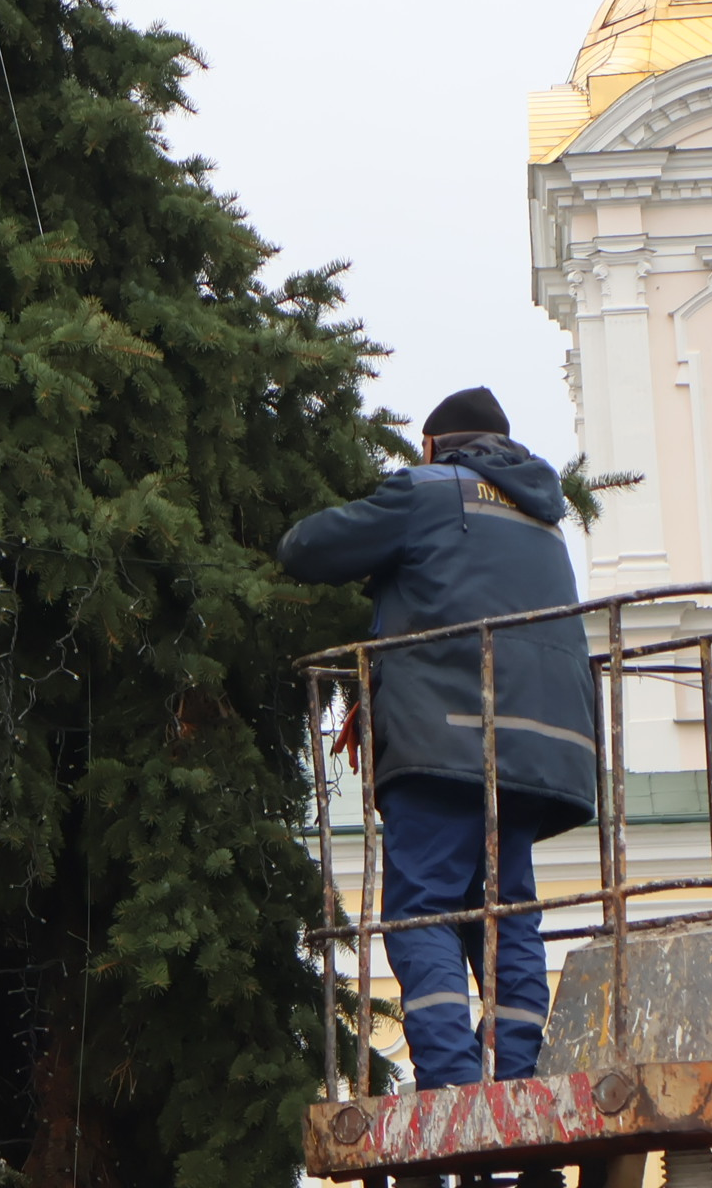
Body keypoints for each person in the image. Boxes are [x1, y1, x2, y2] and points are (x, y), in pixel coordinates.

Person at [275, 387, 598, 1091]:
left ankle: (451, 1084)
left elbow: (306, 547)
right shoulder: (543, 518)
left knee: (422, 909)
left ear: (433, 447)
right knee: (505, 912)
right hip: (541, 750)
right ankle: (515, 1081)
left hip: (447, 738)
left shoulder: (430, 490)